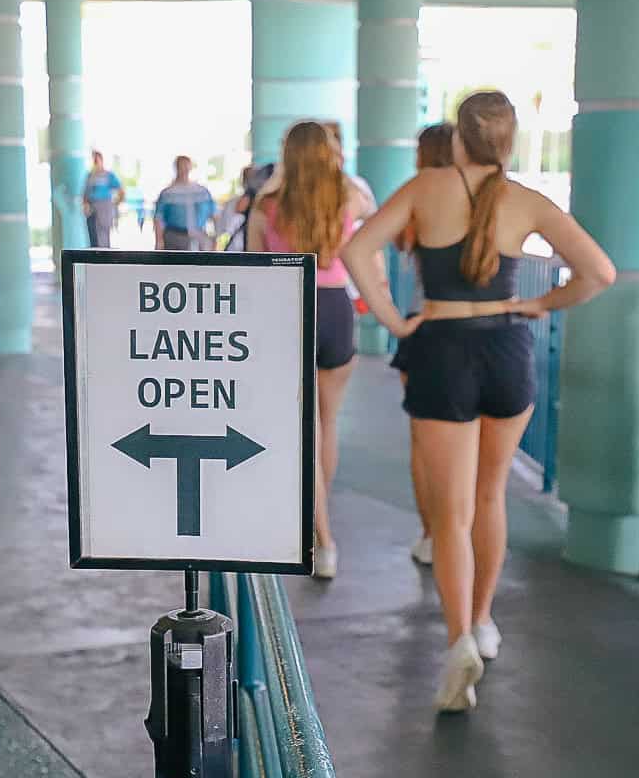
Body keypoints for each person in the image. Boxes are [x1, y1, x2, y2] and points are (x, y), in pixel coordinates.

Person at [342, 91, 616, 712]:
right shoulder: (527, 201)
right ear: (507, 143)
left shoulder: (427, 187)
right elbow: (598, 271)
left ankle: (459, 637)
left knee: (451, 514)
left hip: (442, 350)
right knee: (492, 496)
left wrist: (393, 319)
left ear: (459, 139)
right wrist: (540, 305)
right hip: (507, 351)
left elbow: (356, 251)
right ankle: (486, 620)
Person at [247, 121, 380, 580]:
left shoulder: (267, 206)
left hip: (291, 310)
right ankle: (320, 519)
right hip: (337, 308)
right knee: (327, 423)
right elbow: (371, 211)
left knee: (303, 429)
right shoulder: (347, 198)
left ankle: (322, 539)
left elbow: (254, 270)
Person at [391, 121, 457, 567]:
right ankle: (457, 531)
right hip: (480, 327)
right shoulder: (479, 198)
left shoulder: (418, 198)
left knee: (423, 441)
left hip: (423, 321)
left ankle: (432, 533)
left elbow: (399, 243)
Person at [153, 156, 216, 251]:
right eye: (181, 166)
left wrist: (215, 238)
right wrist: (159, 241)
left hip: (199, 236)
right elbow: (158, 218)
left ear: (190, 167)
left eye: (186, 166)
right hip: (174, 236)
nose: (184, 169)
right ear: (176, 168)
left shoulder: (202, 191)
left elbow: (213, 214)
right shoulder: (168, 193)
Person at [82, 151, 124, 247]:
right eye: (93, 160)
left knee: (103, 234)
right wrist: (85, 205)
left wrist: (115, 204)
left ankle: (104, 253)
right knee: (93, 234)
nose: (95, 162)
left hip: (104, 207)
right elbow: (85, 193)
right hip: (92, 208)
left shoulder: (108, 175)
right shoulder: (90, 176)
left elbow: (121, 190)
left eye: (97, 159)